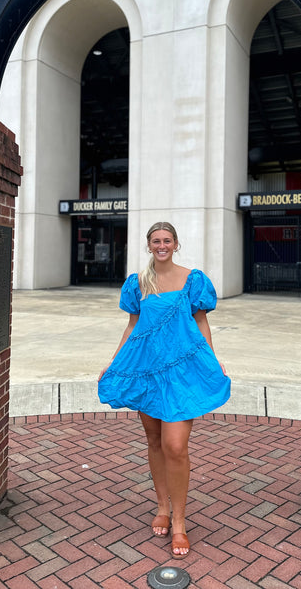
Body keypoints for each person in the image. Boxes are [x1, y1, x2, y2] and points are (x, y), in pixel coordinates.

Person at [98, 222, 231, 559]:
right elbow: (131, 326)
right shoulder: (138, 283)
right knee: (155, 441)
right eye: (156, 241)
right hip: (147, 371)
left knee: (176, 445)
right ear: (148, 245)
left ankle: (180, 523)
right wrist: (113, 363)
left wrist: (213, 360)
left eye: (167, 240)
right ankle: (161, 506)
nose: (162, 245)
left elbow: (201, 322)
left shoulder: (193, 280)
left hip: (183, 371)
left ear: (176, 244)